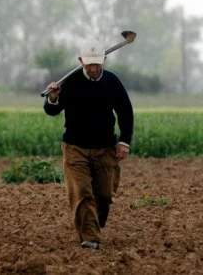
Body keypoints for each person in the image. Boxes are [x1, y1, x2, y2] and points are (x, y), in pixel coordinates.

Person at [43, 38, 134, 250]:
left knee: (103, 195)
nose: (93, 69)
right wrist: (53, 98)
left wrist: (124, 142)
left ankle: (94, 224)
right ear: (80, 60)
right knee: (82, 192)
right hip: (75, 148)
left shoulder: (112, 82)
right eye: (89, 64)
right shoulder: (70, 83)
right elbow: (52, 110)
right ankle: (90, 237)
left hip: (105, 148)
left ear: (103, 60)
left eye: (97, 64)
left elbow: (125, 113)